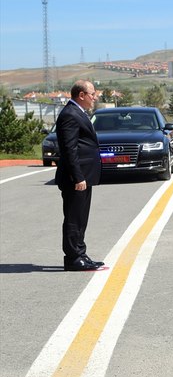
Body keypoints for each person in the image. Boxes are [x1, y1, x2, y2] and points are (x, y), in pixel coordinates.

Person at [55, 80, 104, 271]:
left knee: (81, 217)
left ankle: (80, 254)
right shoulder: (70, 114)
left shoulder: (78, 112)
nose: (95, 97)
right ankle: (74, 258)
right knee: (74, 218)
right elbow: (69, 149)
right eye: (92, 94)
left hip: (84, 175)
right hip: (76, 178)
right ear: (81, 95)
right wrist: (78, 177)